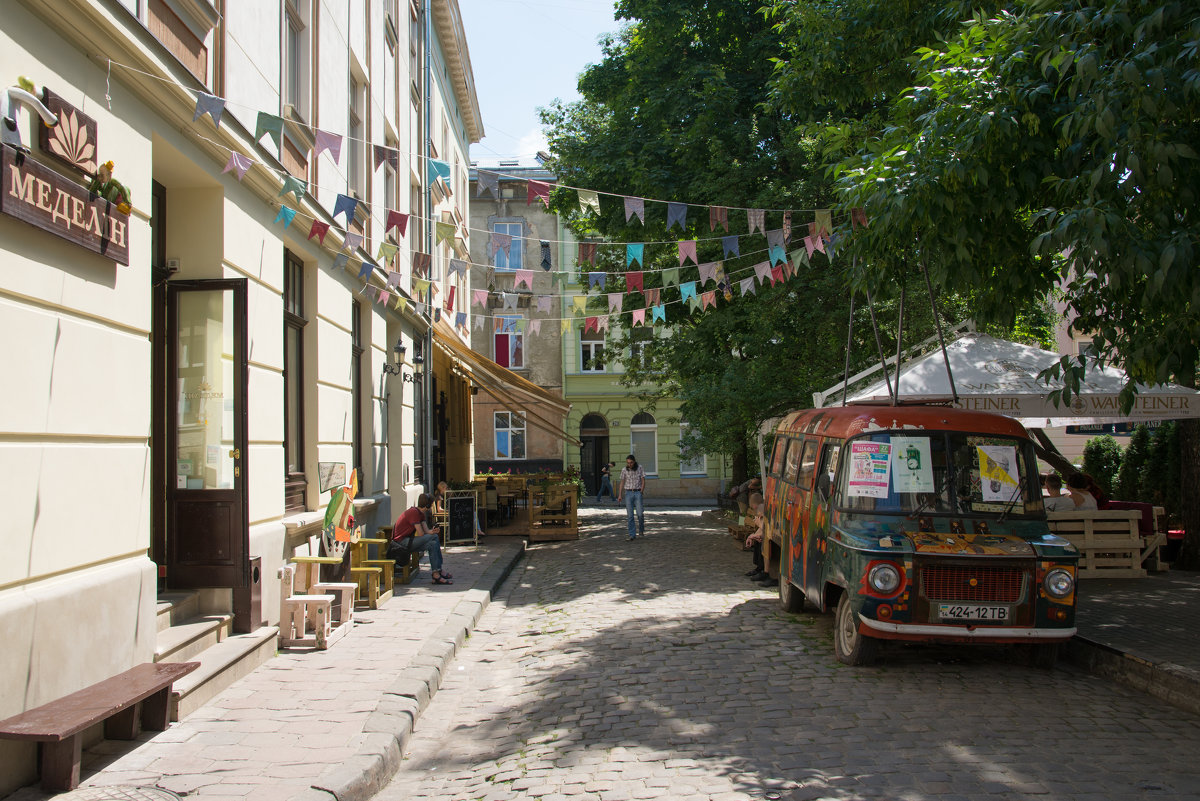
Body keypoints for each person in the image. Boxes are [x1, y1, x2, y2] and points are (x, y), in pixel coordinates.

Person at [388, 493, 453, 584]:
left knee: (432, 544)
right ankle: (439, 570)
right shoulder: (414, 512)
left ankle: (436, 573)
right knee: (434, 538)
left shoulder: (421, 514)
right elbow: (421, 533)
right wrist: (431, 534)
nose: (431, 507)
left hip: (409, 541)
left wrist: (432, 531)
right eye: (431, 504)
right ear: (427, 505)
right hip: (401, 543)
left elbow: (426, 531)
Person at [743, 493, 772, 584]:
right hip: (765, 535)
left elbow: (765, 527)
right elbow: (761, 528)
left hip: (769, 537)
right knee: (757, 541)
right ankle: (759, 568)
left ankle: (763, 569)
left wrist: (754, 535)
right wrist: (753, 536)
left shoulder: (762, 508)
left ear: (754, 506)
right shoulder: (761, 508)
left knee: (761, 543)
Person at [616, 454, 646, 540]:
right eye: (628, 463)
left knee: (640, 514)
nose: (630, 464)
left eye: (631, 463)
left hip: (637, 492)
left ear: (634, 462)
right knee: (630, 515)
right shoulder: (624, 470)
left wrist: (641, 491)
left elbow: (643, 480)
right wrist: (620, 495)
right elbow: (622, 482)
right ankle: (632, 534)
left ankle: (641, 529)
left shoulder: (640, 468)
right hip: (628, 493)